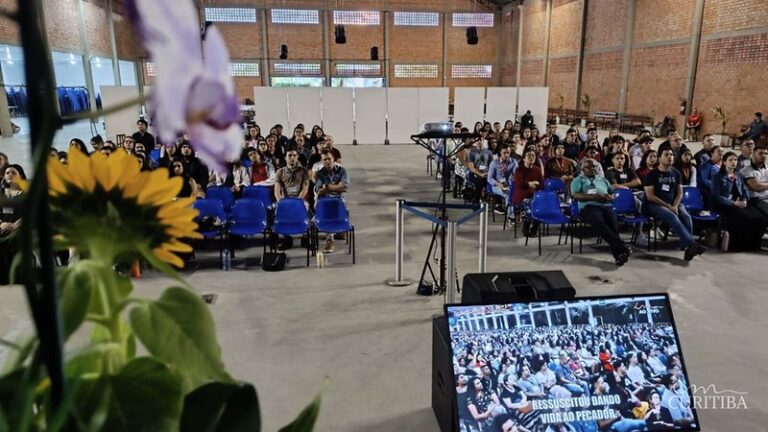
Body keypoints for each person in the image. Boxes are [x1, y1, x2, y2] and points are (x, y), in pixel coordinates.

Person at [643, 148, 705, 261]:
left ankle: (688, 248)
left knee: (686, 217)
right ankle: (692, 244)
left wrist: (675, 205)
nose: (670, 157)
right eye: (666, 154)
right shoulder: (652, 174)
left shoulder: (676, 173)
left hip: (673, 204)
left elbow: (680, 192)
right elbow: (650, 196)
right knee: (671, 215)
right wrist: (668, 207)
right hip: (654, 205)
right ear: (659, 158)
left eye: (671, 155)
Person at [571, 159, 632, 266]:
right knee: (600, 223)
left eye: (594, 166)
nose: (593, 169)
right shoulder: (578, 180)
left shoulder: (602, 179)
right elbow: (576, 195)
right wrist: (595, 197)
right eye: (589, 167)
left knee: (614, 225)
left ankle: (619, 255)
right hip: (588, 207)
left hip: (605, 205)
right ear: (583, 169)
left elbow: (612, 194)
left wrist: (610, 197)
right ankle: (622, 247)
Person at [712, 151, 766, 251]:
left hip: (740, 202)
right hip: (725, 203)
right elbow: (716, 196)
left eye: (735, 160)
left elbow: (745, 190)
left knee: (758, 217)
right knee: (741, 216)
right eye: (730, 160)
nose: (734, 162)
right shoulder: (717, 176)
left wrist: (745, 200)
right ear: (724, 162)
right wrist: (733, 203)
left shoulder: (738, 174)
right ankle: (737, 245)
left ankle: (752, 245)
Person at [314, 149, 350, 253]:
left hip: (339, 200)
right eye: (324, 160)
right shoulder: (320, 173)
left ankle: (336, 232)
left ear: (334, 159)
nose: (327, 161)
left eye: (329, 159)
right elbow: (318, 190)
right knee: (326, 206)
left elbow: (345, 187)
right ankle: (330, 239)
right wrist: (336, 187)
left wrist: (328, 187)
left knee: (336, 204)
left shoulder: (342, 171)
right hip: (325, 200)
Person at [0, 164, 25, 285]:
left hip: (21, 228)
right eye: (7, 173)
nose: (9, 175)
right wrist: (1, 224)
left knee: (13, 240)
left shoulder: (26, 193)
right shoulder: (1, 193)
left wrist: (16, 225)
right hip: (2, 227)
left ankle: (15, 278)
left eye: (13, 172)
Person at [516, 149, 545, 236]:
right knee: (529, 208)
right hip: (522, 196)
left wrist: (528, 184)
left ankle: (534, 230)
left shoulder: (537, 170)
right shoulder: (519, 170)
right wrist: (532, 183)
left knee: (539, 208)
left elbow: (542, 185)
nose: (531, 157)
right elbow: (520, 185)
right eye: (529, 155)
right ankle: (526, 227)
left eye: (533, 155)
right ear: (524, 158)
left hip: (534, 196)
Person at [488, 144, 518, 211]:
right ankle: (510, 216)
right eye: (504, 153)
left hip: (508, 184)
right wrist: (499, 184)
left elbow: (517, 174)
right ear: (500, 153)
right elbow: (489, 178)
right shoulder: (494, 163)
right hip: (497, 185)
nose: (506, 155)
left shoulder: (513, 162)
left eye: (508, 153)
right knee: (508, 194)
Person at [467, 137, 494, 204]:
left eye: (481, 140)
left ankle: (486, 200)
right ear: (475, 142)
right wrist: (480, 174)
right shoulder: (472, 153)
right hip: (475, 174)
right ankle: (476, 202)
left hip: (486, 173)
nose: (479, 142)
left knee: (489, 183)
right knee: (479, 184)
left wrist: (487, 174)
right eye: (477, 140)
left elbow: (491, 165)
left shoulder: (489, 152)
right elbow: (471, 167)